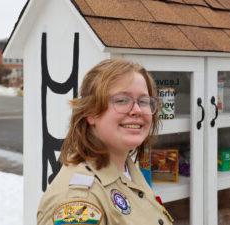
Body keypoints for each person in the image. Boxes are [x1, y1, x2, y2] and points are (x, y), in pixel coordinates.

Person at [37, 58, 174, 225]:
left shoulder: (128, 170)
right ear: (91, 112)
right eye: (122, 100)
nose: (137, 110)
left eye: (144, 101)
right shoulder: (80, 201)